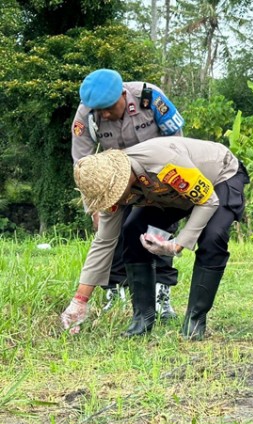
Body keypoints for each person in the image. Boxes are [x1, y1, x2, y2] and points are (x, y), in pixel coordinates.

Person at [59, 136, 249, 340]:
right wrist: (79, 301)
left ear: (125, 178)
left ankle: (195, 321)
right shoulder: (106, 188)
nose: (114, 201)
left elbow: (207, 200)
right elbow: (104, 242)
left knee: (213, 236)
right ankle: (143, 319)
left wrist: (177, 244)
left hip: (219, 177)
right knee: (133, 230)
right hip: (171, 194)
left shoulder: (165, 162)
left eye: (115, 195)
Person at [71, 68, 185, 317]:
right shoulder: (87, 113)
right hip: (116, 178)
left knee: (158, 233)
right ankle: (113, 289)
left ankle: (161, 294)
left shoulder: (151, 97)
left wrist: (172, 191)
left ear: (123, 94)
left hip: (157, 174)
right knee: (110, 233)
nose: (104, 114)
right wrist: (93, 207)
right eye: (99, 110)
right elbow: (82, 165)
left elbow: (178, 142)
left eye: (109, 108)